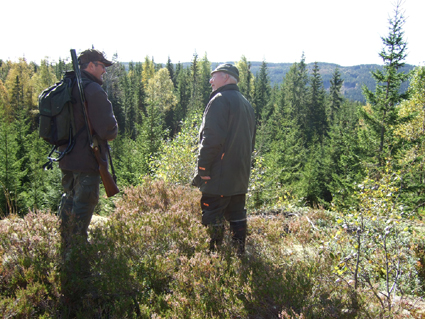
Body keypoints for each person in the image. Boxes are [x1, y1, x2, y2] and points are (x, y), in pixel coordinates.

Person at [57, 49, 118, 265]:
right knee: (83, 207)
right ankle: (78, 263)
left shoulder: (67, 86)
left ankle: (65, 250)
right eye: (102, 66)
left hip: (66, 159)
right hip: (87, 160)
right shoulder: (92, 90)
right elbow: (108, 130)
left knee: (69, 201)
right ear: (90, 65)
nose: (104, 71)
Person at [192, 63, 256, 255]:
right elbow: (251, 142)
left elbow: (211, 140)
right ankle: (239, 256)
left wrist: (202, 169)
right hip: (240, 176)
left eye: (215, 76)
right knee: (237, 215)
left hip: (218, 175)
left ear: (226, 77)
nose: (211, 80)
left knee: (212, 216)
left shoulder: (219, 100)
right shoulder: (246, 103)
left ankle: (213, 260)